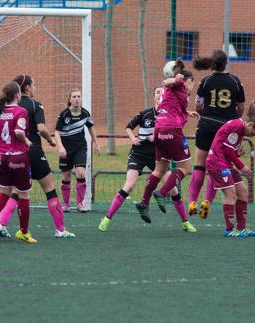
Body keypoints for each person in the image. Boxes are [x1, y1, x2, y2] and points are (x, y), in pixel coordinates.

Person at [99, 86, 196, 233]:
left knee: (173, 189)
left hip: (157, 155)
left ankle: (185, 223)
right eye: (157, 92)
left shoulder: (171, 114)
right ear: (154, 97)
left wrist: (157, 136)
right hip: (138, 154)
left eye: (161, 92)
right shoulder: (145, 114)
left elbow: (177, 124)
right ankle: (106, 219)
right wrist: (133, 138)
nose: (159, 94)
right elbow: (128, 127)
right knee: (130, 185)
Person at [0, 75, 75, 239]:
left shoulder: (6, 107)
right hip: (32, 152)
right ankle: (60, 229)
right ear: (27, 87)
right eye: (33, 85)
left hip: (13, 155)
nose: (35, 88)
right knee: (49, 190)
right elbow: (42, 129)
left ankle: (1, 223)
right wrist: (50, 140)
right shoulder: (35, 105)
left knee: (17, 191)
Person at [135, 60, 199, 231]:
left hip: (160, 130)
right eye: (193, 82)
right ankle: (162, 193)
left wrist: (186, 111)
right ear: (187, 81)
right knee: (186, 168)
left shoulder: (174, 93)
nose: (193, 86)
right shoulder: (177, 85)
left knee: (160, 170)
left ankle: (144, 202)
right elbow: (166, 82)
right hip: (172, 130)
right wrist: (177, 78)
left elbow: (171, 102)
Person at [187, 50, 246, 219]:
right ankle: (207, 201)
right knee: (217, 165)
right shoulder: (236, 82)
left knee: (200, 165)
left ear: (212, 64)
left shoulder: (205, 82)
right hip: (225, 129)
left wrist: (206, 111)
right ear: (226, 63)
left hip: (206, 126)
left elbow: (198, 106)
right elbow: (241, 108)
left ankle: (192, 201)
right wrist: (232, 119)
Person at [0, 81, 37, 243]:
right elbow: (19, 131)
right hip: (18, 157)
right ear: (18, 95)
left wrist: (0, 145)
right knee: (24, 194)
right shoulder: (21, 111)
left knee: (4, 192)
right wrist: (26, 141)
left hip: (0, 157)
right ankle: (24, 232)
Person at [206, 101, 255, 237]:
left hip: (224, 162)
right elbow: (226, 148)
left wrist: (238, 152)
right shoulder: (237, 126)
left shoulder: (239, 128)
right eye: (253, 133)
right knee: (230, 193)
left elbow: (227, 147)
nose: (251, 136)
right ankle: (229, 229)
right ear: (249, 124)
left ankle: (242, 227)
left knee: (243, 192)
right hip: (216, 162)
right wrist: (241, 166)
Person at [54, 88, 100, 212]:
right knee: (67, 176)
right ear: (70, 99)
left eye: (78, 97)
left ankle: (80, 204)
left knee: (80, 173)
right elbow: (57, 132)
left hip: (80, 147)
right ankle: (66, 205)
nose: (76, 99)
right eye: (74, 97)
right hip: (66, 149)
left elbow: (91, 128)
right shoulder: (64, 114)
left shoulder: (85, 113)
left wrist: (96, 143)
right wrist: (60, 147)